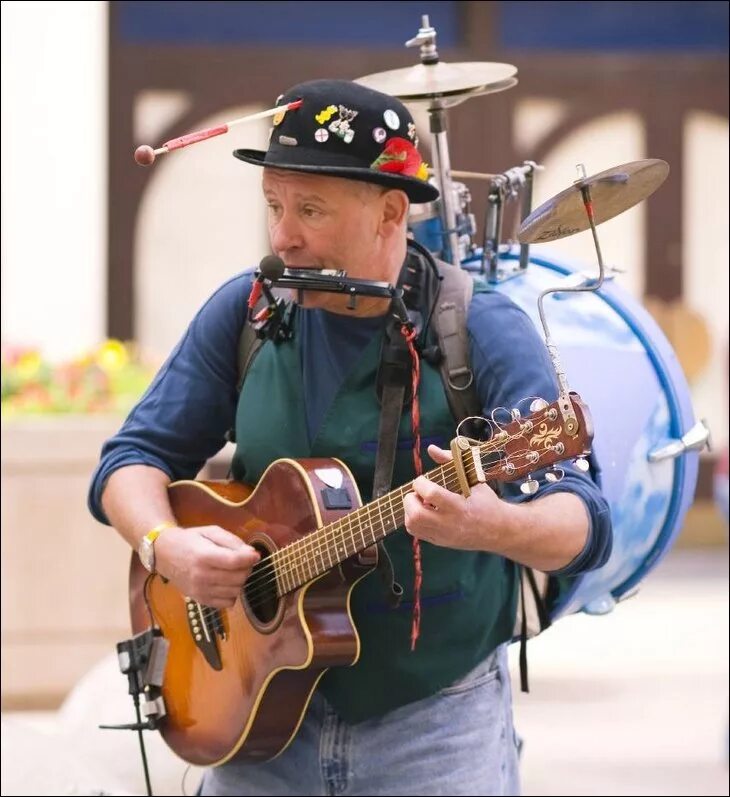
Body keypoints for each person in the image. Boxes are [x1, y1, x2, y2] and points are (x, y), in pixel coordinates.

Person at [88, 79, 612, 796]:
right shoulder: (245, 312)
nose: (282, 236)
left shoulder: (480, 328)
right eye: (274, 206)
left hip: (434, 728)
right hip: (253, 724)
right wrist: (165, 546)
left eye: (310, 210)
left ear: (391, 211)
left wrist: (497, 526)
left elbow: (584, 519)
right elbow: (129, 462)